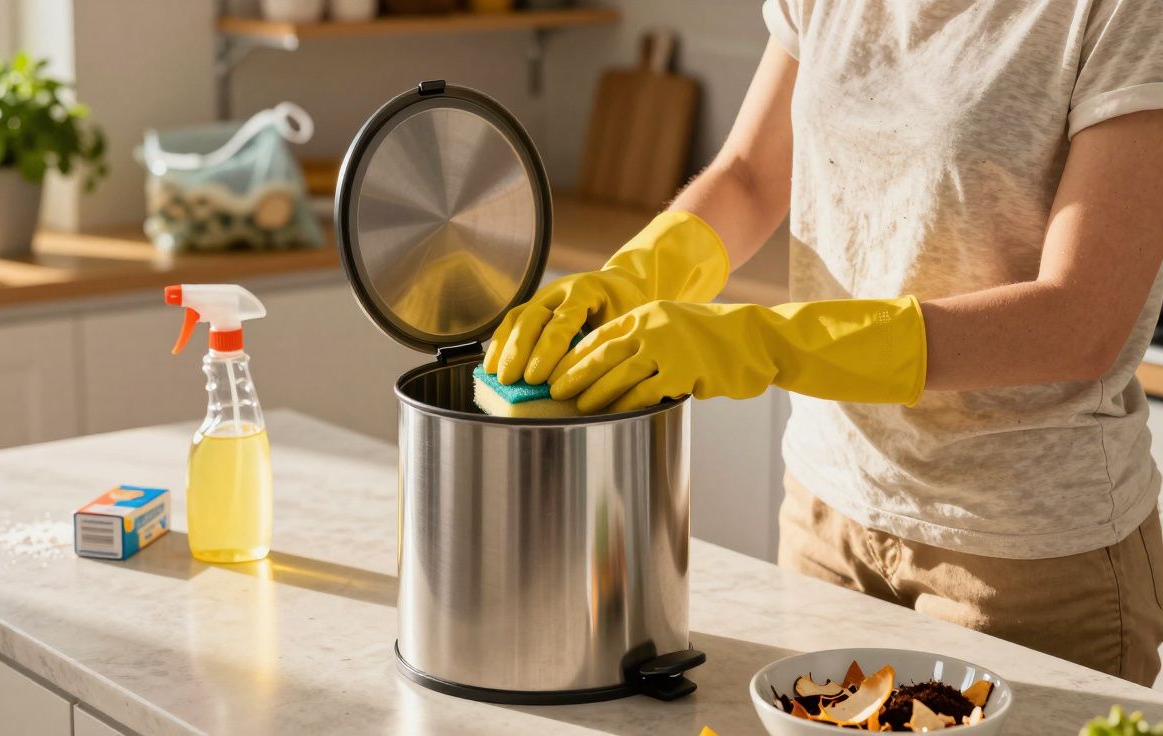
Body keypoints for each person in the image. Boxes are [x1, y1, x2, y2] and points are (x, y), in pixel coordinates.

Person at [483, 1, 1163, 685]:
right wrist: (631, 278)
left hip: (1026, 560)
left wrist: (763, 341)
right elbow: (749, 175)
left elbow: (1079, 322)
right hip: (825, 517)